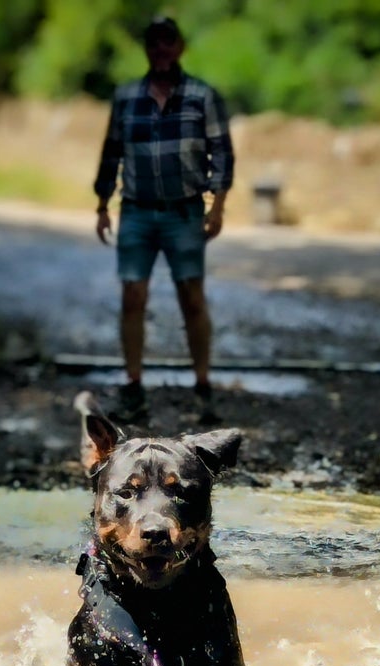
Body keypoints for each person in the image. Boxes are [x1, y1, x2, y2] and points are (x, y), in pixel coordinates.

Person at [94, 15, 234, 424]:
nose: (160, 50)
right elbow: (111, 152)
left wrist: (218, 205)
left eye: (167, 42)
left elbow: (221, 152)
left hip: (184, 211)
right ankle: (134, 386)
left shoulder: (201, 96)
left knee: (192, 297)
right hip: (136, 210)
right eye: (153, 43)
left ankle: (203, 386)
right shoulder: (126, 98)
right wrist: (103, 205)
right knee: (132, 296)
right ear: (146, 48)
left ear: (180, 47)